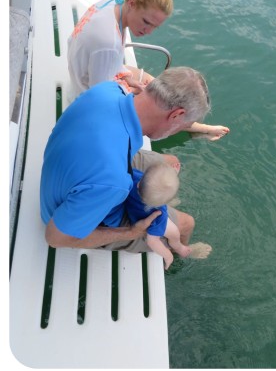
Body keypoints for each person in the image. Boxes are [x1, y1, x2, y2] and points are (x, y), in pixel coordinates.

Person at [40, 66, 211, 255]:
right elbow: (55, 238)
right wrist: (130, 232)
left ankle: (160, 200)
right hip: (68, 216)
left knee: (170, 163)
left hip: (75, 165)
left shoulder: (107, 90)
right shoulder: (113, 182)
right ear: (176, 115)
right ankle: (180, 255)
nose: (179, 130)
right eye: (183, 126)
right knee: (186, 224)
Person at [67, 0, 229, 142]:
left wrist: (128, 80)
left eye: (155, 27)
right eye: (146, 22)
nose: (148, 31)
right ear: (132, 2)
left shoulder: (114, 3)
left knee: (160, 89)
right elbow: (100, 99)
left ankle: (197, 127)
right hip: (86, 100)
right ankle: (201, 128)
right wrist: (131, 94)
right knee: (163, 108)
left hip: (89, 71)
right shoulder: (108, 43)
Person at [125, 162, 191, 269]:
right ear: (159, 204)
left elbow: (155, 182)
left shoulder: (135, 177)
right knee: (174, 233)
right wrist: (167, 255)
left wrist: (172, 174)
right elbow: (152, 241)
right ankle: (179, 248)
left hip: (133, 206)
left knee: (159, 189)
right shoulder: (158, 214)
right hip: (144, 219)